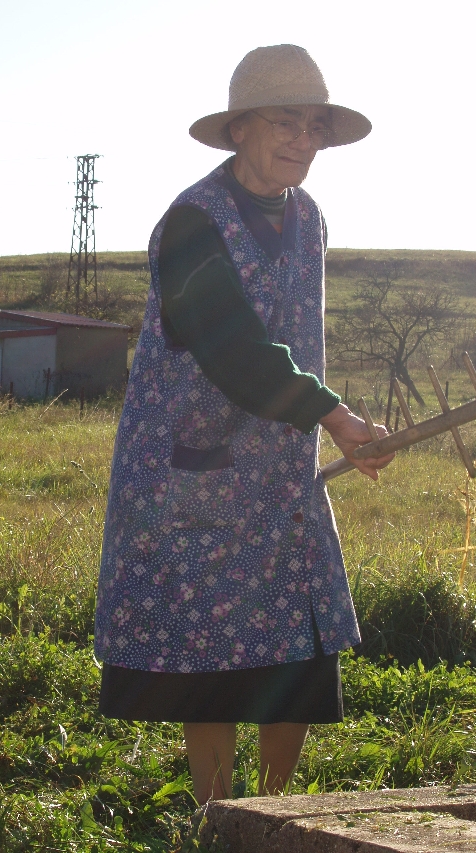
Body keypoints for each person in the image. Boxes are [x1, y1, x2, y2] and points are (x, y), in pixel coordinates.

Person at [94, 44, 394, 804]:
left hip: (278, 476)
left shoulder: (308, 218)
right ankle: (217, 819)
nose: (303, 140)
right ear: (239, 130)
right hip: (189, 475)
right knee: (212, 667)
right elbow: (229, 347)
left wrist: (333, 425)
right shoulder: (193, 223)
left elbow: (296, 334)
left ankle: (273, 816)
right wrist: (336, 415)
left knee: (293, 655)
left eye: (315, 128)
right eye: (284, 122)